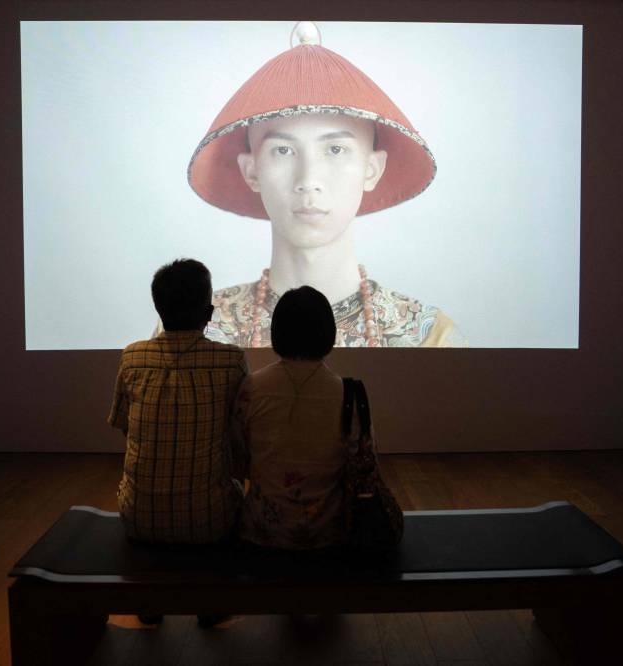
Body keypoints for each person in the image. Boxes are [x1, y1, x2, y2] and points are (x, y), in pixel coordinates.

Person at [188, 21, 466, 348]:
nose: (308, 181)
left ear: (372, 169)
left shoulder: (429, 339)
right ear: (251, 171)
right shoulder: (199, 333)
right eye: (283, 150)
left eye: (335, 150)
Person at [108, 258, 247, 627]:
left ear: (157, 308)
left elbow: (124, 426)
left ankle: (151, 601)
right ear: (210, 311)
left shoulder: (132, 356)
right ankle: (211, 603)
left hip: (137, 516)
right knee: (238, 494)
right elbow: (239, 435)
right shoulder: (231, 361)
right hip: (210, 520)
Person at [232, 286, 385, 548]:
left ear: (277, 331)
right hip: (330, 535)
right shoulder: (350, 395)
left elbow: (239, 457)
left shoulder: (252, 388)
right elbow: (366, 463)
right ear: (329, 333)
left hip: (261, 533)